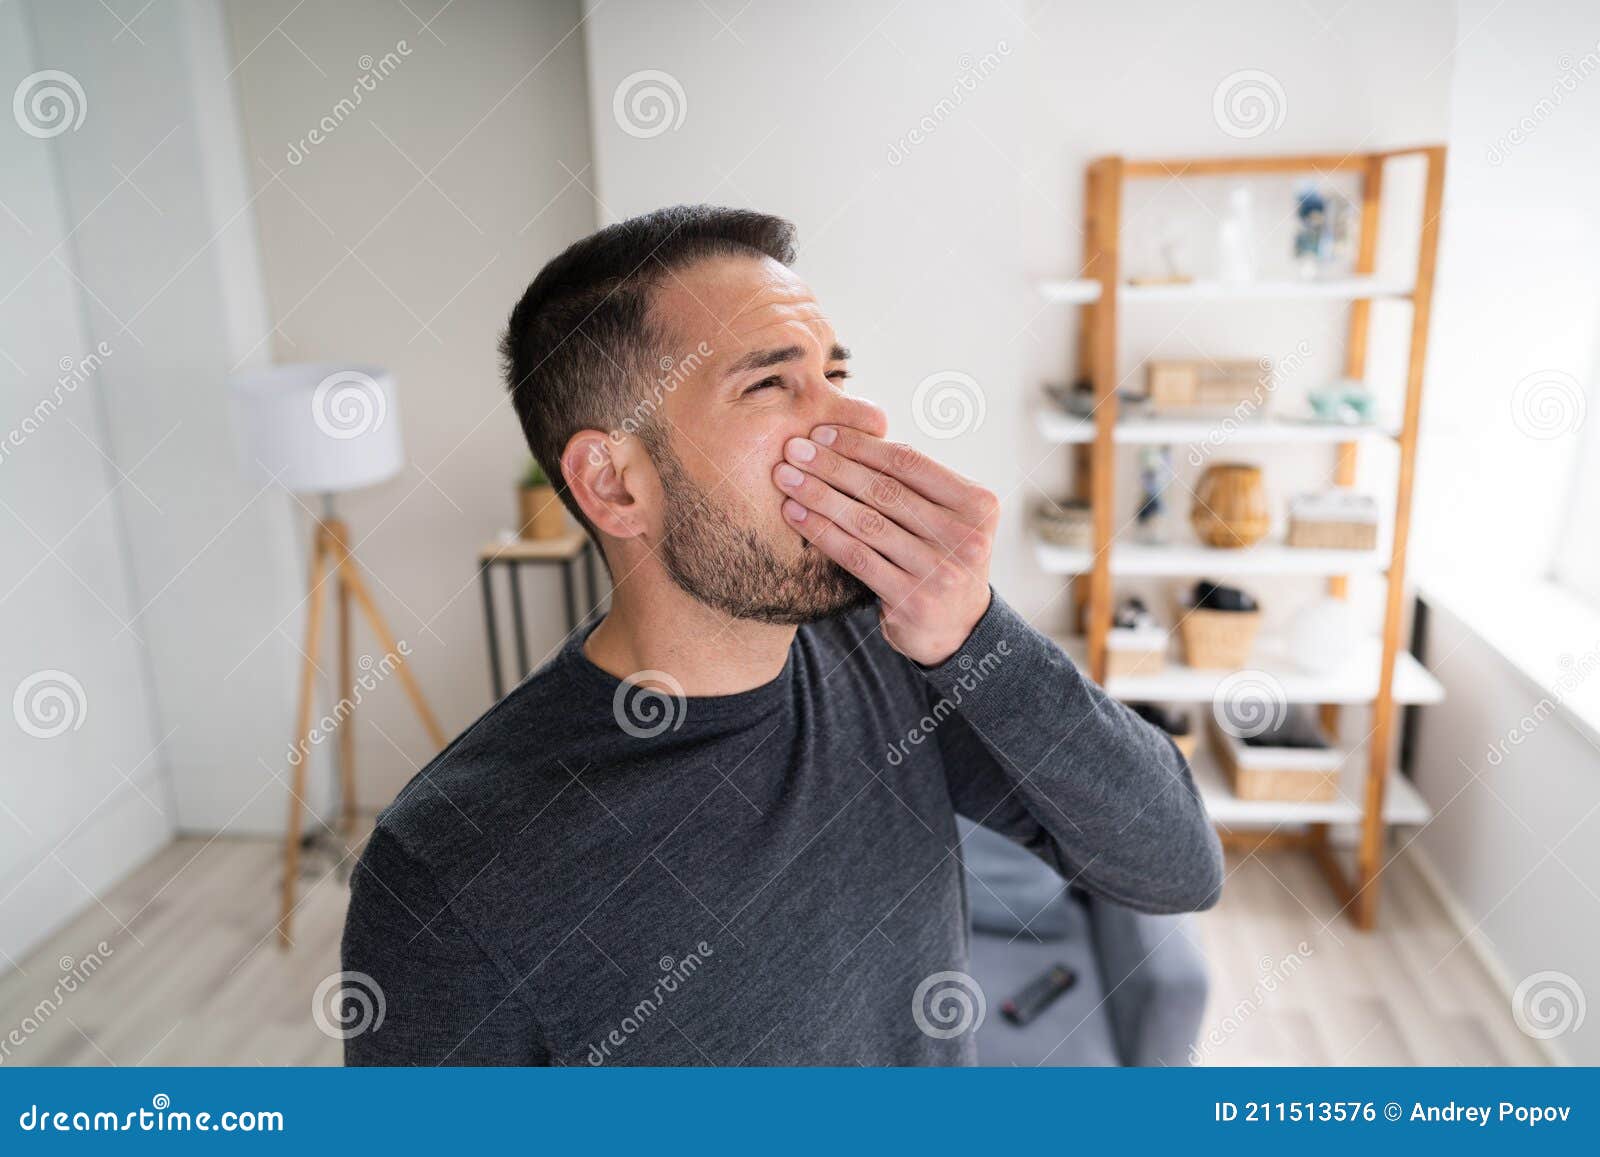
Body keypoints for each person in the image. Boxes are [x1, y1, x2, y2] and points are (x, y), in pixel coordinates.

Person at [340, 205, 1222, 1065]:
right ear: (612, 485)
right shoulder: (448, 867)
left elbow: (1178, 865)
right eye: (770, 383)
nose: (857, 419)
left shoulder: (887, 654)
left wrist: (977, 636)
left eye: (835, 374)